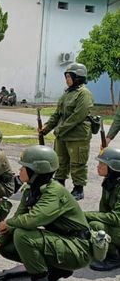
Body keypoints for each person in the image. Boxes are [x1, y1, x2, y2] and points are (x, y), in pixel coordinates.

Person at [0, 145, 92, 281]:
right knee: (6, 246)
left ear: (36, 170)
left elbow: (31, 220)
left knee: (22, 235)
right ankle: (56, 269)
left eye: (24, 167)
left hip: (78, 248)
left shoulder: (54, 192)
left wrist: (9, 222)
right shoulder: (31, 190)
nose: (20, 170)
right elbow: (18, 219)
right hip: (62, 241)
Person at [40, 63, 94, 201]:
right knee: (60, 161)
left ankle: (78, 189)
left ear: (78, 77)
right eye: (66, 76)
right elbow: (57, 114)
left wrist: (59, 129)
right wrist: (46, 129)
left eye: (70, 76)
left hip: (78, 136)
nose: (67, 79)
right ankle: (59, 185)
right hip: (63, 136)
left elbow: (77, 116)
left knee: (77, 163)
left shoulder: (84, 94)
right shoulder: (67, 94)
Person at [85, 147, 120, 271]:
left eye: (102, 164)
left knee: (96, 225)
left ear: (113, 166)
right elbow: (104, 210)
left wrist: (87, 215)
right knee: (90, 223)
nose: (98, 166)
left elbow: (116, 218)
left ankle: (114, 257)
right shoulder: (111, 181)